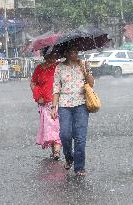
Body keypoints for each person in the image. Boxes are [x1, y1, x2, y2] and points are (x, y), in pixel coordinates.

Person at [51, 46, 94, 176]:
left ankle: (79, 167)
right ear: (66, 53)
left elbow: (91, 84)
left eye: (77, 51)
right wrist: (54, 107)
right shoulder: (59, 68)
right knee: (65, 135)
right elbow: (56, 88)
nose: (75, 54)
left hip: (81, 105)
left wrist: (87, 70)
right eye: (72, 52)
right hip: (65, 106)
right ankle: (69, 157)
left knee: (80, 137)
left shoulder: (82, 65)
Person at [30, 48, 62, 160]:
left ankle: (57, 150)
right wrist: (38, 96)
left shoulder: (59, 66)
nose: (52, 58)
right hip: (44, 102)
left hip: (58, 101)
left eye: (54, 55)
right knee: (50, 127)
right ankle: (55, 151)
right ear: (45, 56)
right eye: (49, 55)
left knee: (57, 126)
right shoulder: (39, 68)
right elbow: (33, 83)